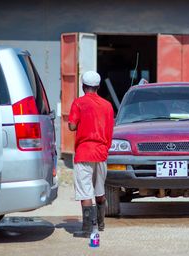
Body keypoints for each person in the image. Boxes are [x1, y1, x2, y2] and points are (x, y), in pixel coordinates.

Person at [68, 71, 114, 237]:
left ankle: (87, 230)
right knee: (99, 191)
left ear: (83, 86)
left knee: (85, 192)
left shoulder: (79, 103)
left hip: (84, 153)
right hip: (101, 153)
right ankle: (100, 225)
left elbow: (72, 126)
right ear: (98, 86)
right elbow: (110, 132)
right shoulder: (108, 105)